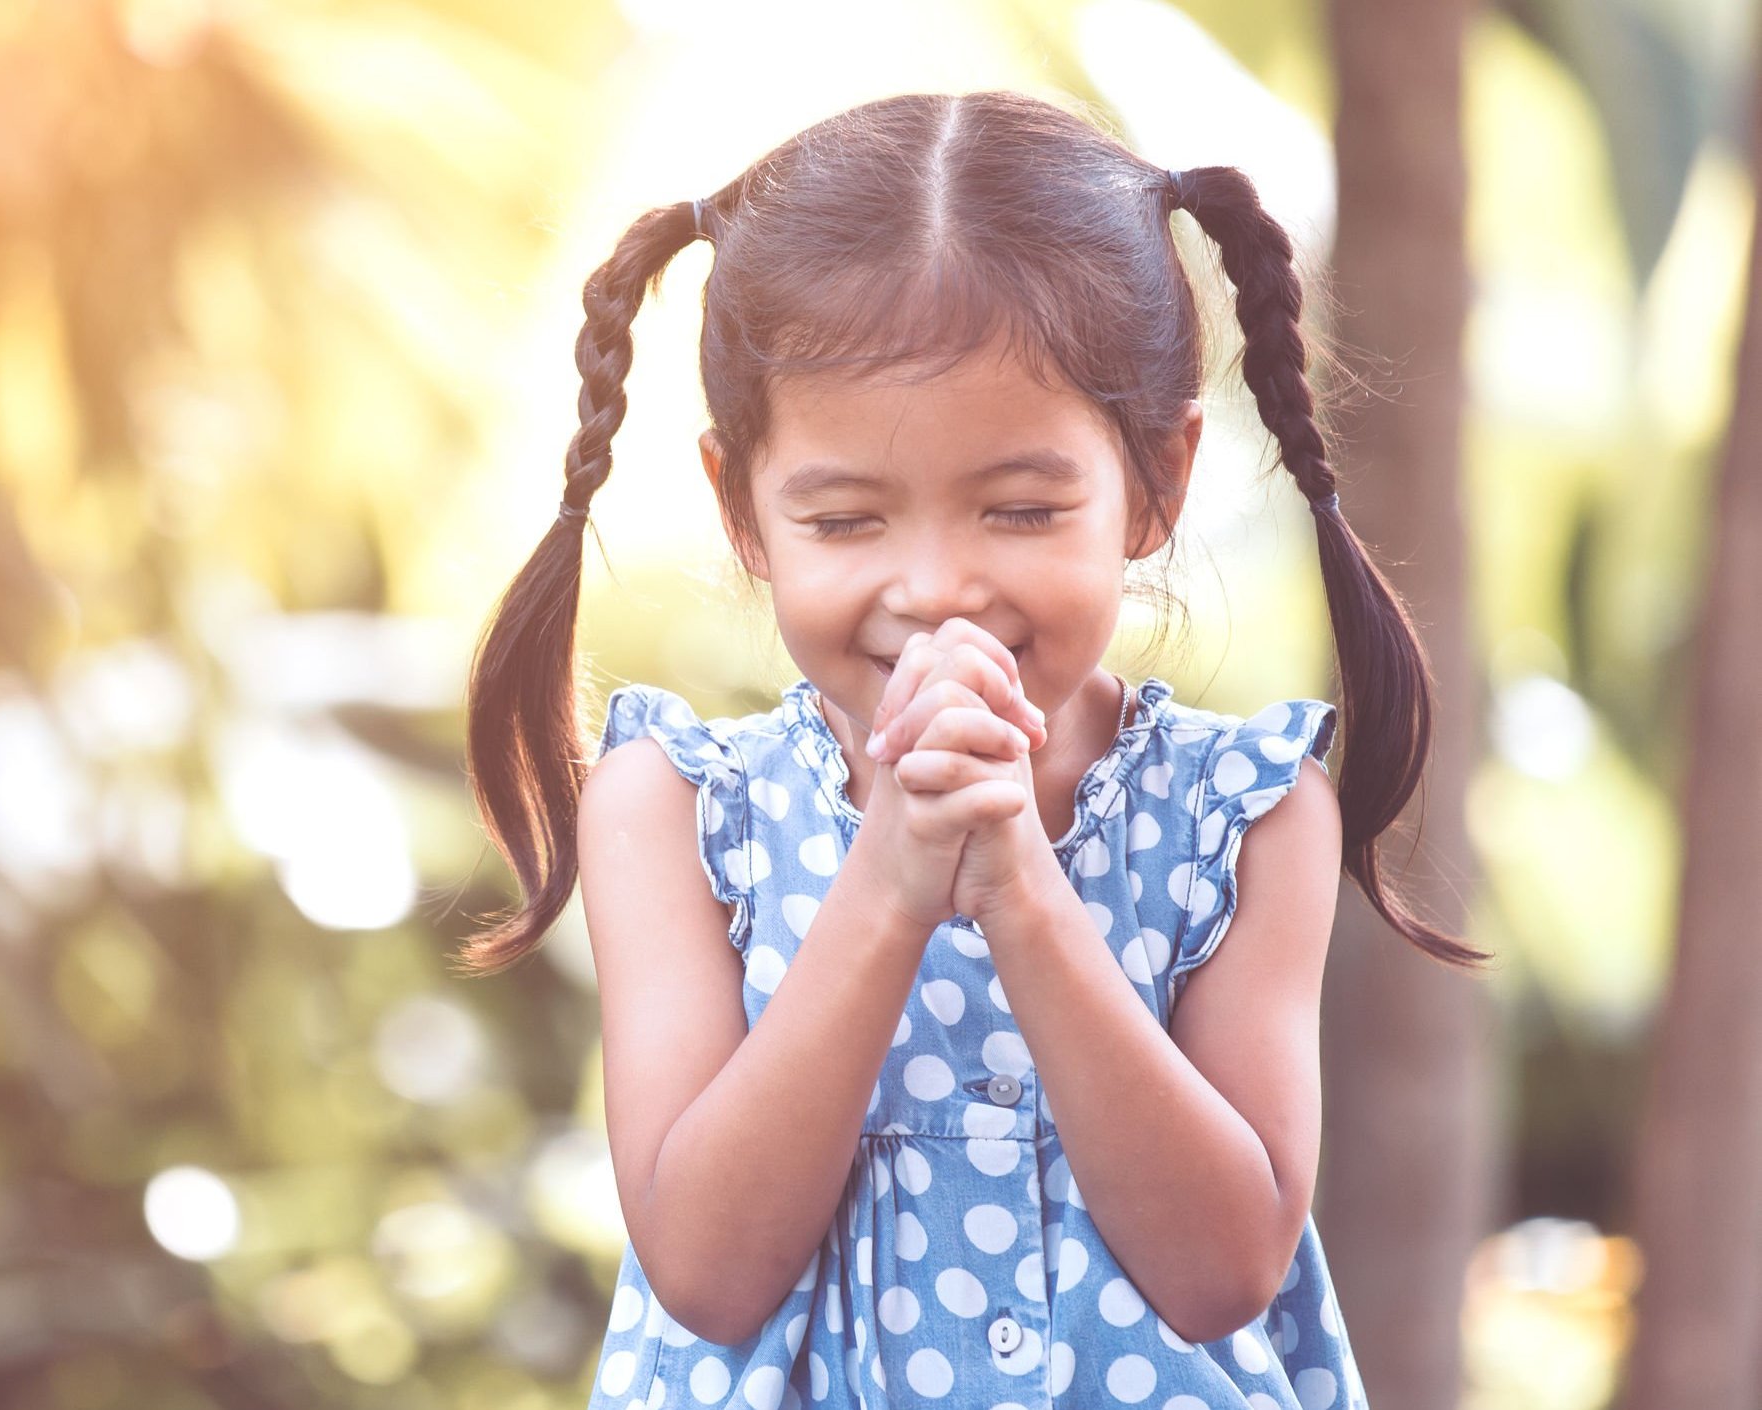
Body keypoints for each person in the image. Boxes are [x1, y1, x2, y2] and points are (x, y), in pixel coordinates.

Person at [458, 91, 1491, 1409]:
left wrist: (1019, 885)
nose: (937, 585)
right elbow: (706, 1270)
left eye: (1019, 507)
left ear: (1156, 485)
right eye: (844, 520)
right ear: (744, 510)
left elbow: (1226, 1262)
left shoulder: (1246, 819)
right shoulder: (675, 810)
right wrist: (890, 883)